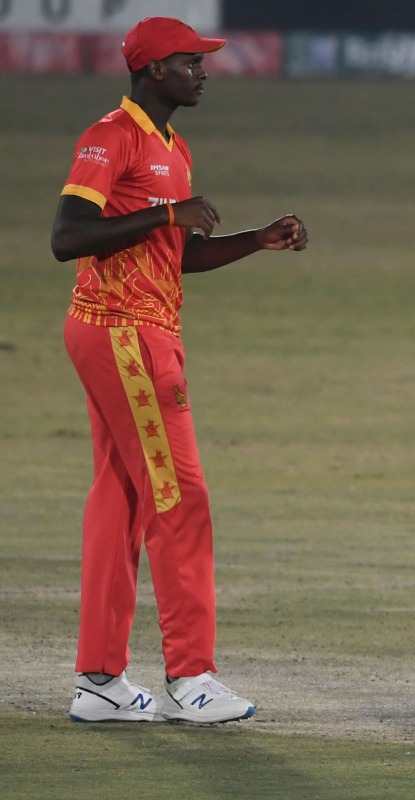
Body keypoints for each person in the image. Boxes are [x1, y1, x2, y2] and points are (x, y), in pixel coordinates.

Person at [51, 16, 309, 724]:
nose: (202, 72)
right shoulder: (112, 137)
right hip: (123, 334)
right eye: (191, 62)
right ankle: (192, 677)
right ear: (153, 69)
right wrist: (167, 214)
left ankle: (100, 680)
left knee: (123, 497)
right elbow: (67, 237)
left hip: (132, 329)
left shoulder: (171, 146)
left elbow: (176, 255)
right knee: (180, 496)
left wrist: (256, 239)